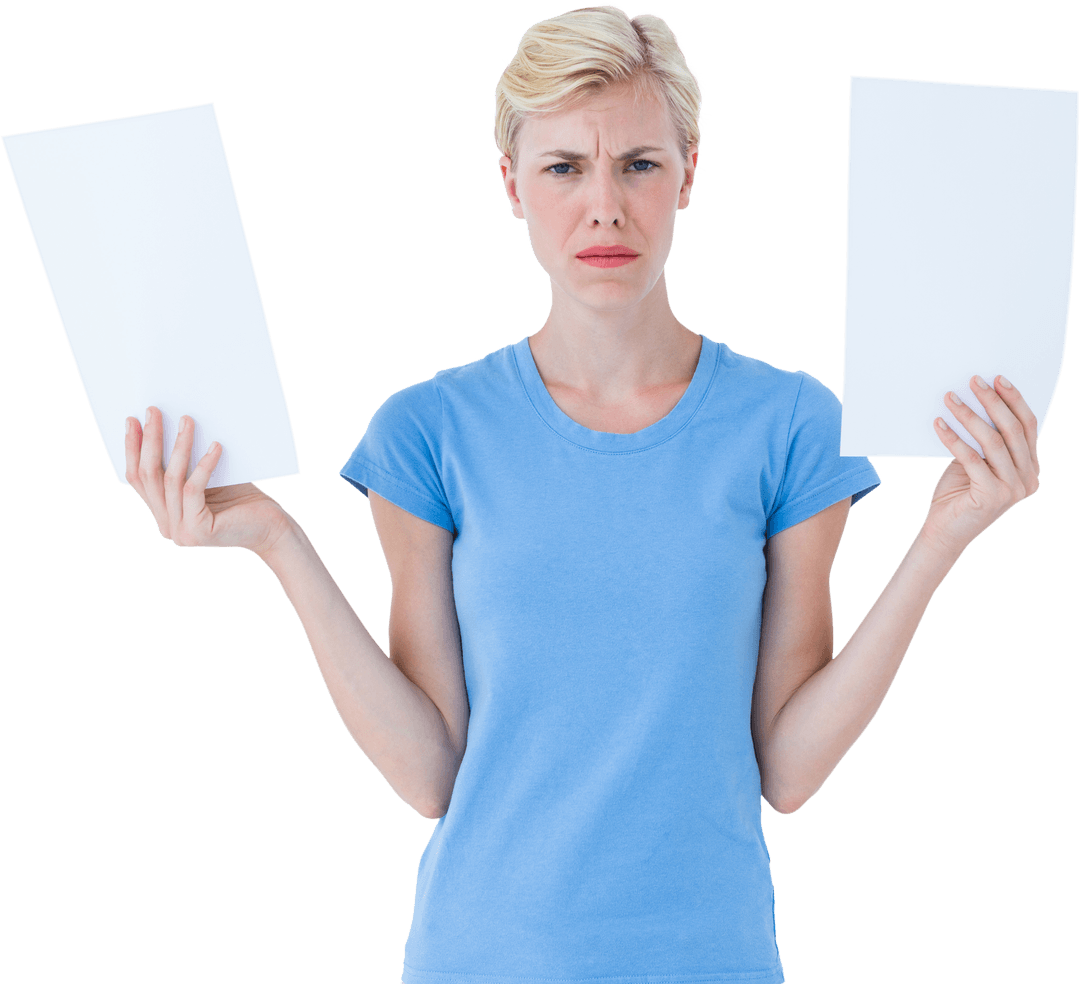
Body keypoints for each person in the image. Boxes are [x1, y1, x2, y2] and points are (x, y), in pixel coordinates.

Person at [123, 4, 1041, 981]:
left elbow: (788, 767)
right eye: (564, 167)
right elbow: (430, 773)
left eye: (638, 163)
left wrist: (942, 538)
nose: (604, 206)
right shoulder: (429, 431)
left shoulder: (788, 425)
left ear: (688, 174)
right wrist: (277, 540)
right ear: (512, 186)